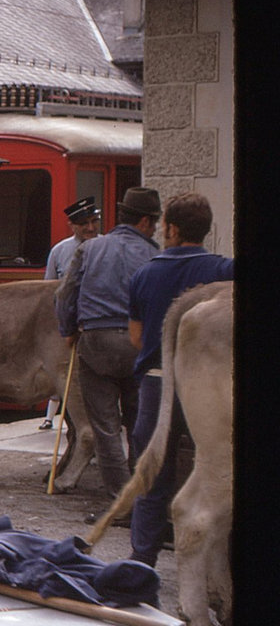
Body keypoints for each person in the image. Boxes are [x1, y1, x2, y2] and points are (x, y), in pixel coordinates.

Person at [125, 192, 233, 566]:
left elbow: (137, 338)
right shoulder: (225, 271)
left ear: (170, 228)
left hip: (157, 385)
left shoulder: (144, 275)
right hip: (211, 388)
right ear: (206, 230)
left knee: (151, 476)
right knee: (215, 471)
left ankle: (141, 563)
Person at [55, 187, 161, 498]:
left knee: (105, 427)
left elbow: (63, 295)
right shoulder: (154, 254)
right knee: (140, 422)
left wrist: (68, 330)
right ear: (144, 222)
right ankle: (143, 495)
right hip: (139, 343)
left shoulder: (90, 249)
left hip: (96, 341)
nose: (155, 229)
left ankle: (120, 500)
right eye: (154, 222)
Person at [40, 197, 103, 429]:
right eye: (83, 223)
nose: (90, 228)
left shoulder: (107, 246)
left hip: (99, 324)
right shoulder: (60, 251)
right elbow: (48, 291)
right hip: (69, 328)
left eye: (94, 221)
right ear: (72, 226)